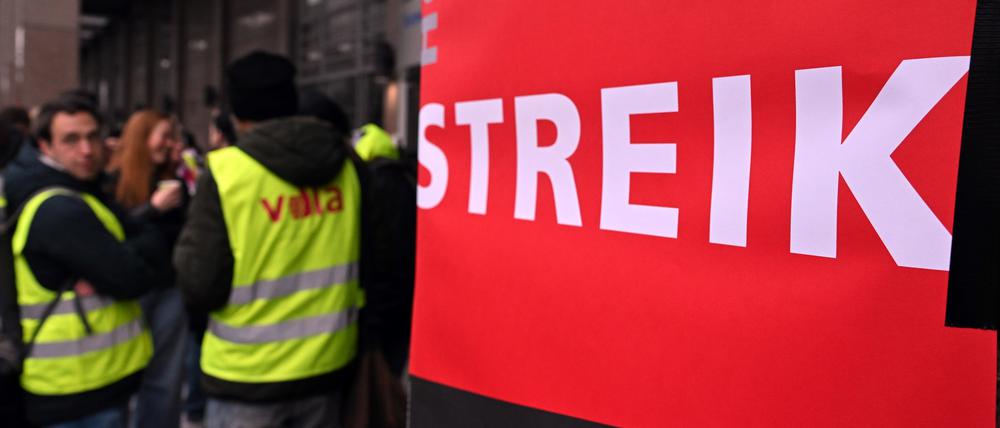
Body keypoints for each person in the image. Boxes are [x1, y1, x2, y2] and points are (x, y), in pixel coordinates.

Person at [175, 51, 365, 428]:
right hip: (327, 364)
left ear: (236, 114)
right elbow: (377, 258)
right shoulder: (347, 165)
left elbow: (200, 283)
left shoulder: (227, 173)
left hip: (246, 373)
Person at [3, 96, 170, 427]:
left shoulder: (78, 189)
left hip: (85, 383)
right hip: (76, 390)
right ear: (45, 146)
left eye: (93, 136)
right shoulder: (59, 208)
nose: (87, 150)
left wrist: (128, 247)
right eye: (71, 140)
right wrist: (141, 242)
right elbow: (132, 278)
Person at [109, 109, 188, 428]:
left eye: (172, 137)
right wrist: (152, 209)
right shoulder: (113, 182)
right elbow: (113, 235)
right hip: (130, 291)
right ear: (142, 139)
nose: (170, 143)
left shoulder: (174, 180)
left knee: (165, 379)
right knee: (120, 378)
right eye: (164, 136)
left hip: (169, 288)